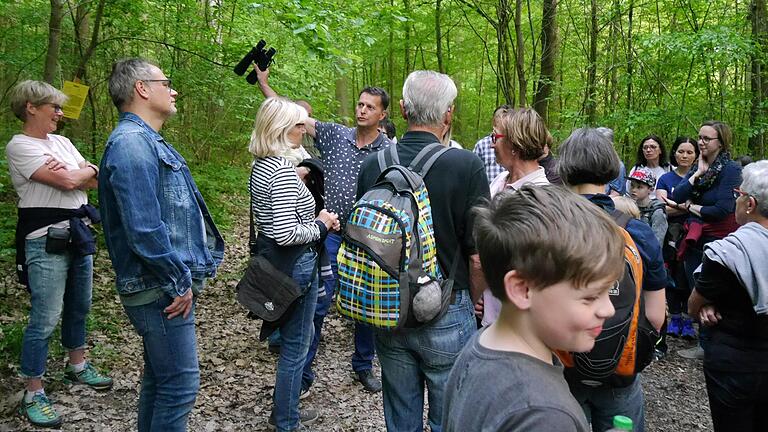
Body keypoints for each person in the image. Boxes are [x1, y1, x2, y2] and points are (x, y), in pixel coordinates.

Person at [356, 70, 490, 431]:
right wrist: (475, 303)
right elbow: (477, 255)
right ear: (448, 114)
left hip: (387, 307)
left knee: (401, 417)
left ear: (400, 108)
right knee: (450, 419)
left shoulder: (373, 165)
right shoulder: (466, 166)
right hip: (447, 306)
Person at [99, 58, 225, 431]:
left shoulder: (144, 140)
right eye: (165, 82)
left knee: (160, 381)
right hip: (158, 289)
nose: (173, 90)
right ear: (141, 88)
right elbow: (143, 229)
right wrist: (178, 281)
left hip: (159, 285)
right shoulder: (131, 144)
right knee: (180, 386)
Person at [254, 65, 390, 393]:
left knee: (366, 304)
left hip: (366, 236)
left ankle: (362, 364)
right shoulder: (333, 134)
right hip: (326, 232)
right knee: (317, 302)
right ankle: (303, 374)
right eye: (360, 104)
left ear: (382, 114)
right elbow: (290, 117)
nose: (362, 110)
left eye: (370, 107)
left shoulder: (388, 150)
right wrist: (264, 84)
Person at [443, 184, 623, 432]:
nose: (608, 310)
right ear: (523, 289)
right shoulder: (544, 415)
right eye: (590, 297)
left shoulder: (484, 344)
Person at [6, 80, 112, 428]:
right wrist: (79, 174)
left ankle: (77, 365)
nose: (60, 113)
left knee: (79, 305)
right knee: (46, 316)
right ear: (30, 107)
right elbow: (68, 183)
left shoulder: (62, 142)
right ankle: (33, 390)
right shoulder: (20, 145)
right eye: (53, 106)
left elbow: (92, 179)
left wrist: (86, 171)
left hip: (77, 233)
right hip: (43, 238)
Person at [557, 127, 667, 432]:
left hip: (560, 372)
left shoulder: (550, 228)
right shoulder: (637, 232)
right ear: (611, 169)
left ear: (564, 169)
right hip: (621, 371)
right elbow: (656, 317)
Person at [247, 97, 339, 431]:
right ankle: (286, 419)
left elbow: (274, 221)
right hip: (297, 264)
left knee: (296, 340)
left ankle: (285, 413)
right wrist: (322, 224)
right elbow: (287, 233)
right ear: (282, 129)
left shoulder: (262, 166)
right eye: (299, 125)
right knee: (297, 346)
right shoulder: (283, 172)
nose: (304, 130)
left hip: (279, 263)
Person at [688, 160, 768, 432]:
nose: (735, 200)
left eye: (738, 194)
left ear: (750, 204)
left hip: (735, 365)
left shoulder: (726, 253)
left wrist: (707, 302)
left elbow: (692, 306)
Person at [671, 120, 741, 359]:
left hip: (719, 238)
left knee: (715, 290)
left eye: (706, 139)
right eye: (699, 137)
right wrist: (697, 174)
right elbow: (677, 194)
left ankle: (716, 343)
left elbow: (723, 208)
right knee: (695, 287)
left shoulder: (730, 169)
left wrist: (691, 207)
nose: (700, 142)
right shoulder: (699, 167)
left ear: (720, 142)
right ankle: (704, 343)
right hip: (695, 237)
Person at [480, 107, 551, 326]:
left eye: (496, 137)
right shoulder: (500, 181)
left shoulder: (541, 197)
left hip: (519, 322)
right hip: (489, 316)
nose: (492, 144)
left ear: (514, 144)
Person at [656, 136, 699, 339]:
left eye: (690, 152)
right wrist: (688, 206)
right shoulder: (665, 179)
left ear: (697, 155)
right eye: (681, 151)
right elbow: (661, 207)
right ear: (674, 153)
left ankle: (688, 319)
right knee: (671, 272)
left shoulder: (701, 177)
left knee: (688, 273)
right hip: (671, 232)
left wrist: (677, 205)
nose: (685, 155)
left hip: (694, 234)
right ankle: (674, 318)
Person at [627, 168, 668, 246]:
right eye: (632, 185)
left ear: (651, 189)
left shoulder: (657, 212)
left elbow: (657, 244)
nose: (633, 190)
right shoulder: (628, 207)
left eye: (639, 187)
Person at [472, 105, 510, 184]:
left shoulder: (513, 144)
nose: (501, 119)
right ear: (493, 120)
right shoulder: (481, 145)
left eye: (504, 116)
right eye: (499, 116)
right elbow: (474, 173)